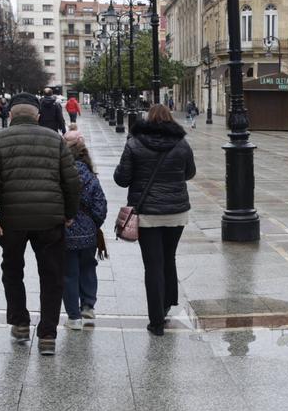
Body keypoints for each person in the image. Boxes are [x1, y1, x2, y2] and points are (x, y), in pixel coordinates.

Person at [0, 93, 81, 356]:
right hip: (49, 220)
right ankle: (47, 334)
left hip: (13, 220)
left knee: (12, 271)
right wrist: (69, 213)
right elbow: (71, 181)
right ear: (37, 117)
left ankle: (20, 322)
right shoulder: (54, 140)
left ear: (10, 115)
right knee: (52, 276)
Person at [114, 103, 196, 337]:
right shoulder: (182, 144)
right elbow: (190, 173)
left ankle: (156, 321)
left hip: (147, 214)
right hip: (176, 212)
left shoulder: (134, 143)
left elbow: (122, 179)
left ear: (148, 120)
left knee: (153, 265)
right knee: (169, 257)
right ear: (170, 119)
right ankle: (167, 303)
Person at [62, 130, 107, 330]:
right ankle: (88, 304)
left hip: (66, 232)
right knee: (88, 267)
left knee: (69, 273)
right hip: (88, 233)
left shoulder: (61, 176)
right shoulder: (90, 177)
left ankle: (74, 318)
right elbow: (100, 205)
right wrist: (94, 223)